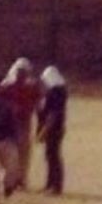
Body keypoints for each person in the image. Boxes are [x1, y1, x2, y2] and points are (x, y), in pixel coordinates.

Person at [0, 57, 41, 191]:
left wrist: (32, 109)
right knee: (10, 152)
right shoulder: (6, 86)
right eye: (19, 71)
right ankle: (10, 178)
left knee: (24, 152)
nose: (21, 74)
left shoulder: (31, 87)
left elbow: (37, 102)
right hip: (10, 123)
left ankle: (21, 178)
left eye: (24, 72)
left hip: (24, 122)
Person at [36, 65, 68, 195]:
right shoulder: (61, 92)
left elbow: (52, 114)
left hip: (53, 128)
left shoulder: (53, 94)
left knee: (53, 156)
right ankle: (50, 184)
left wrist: (44, 130)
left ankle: (55, 186)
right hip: (58, 128)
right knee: (51, 156)